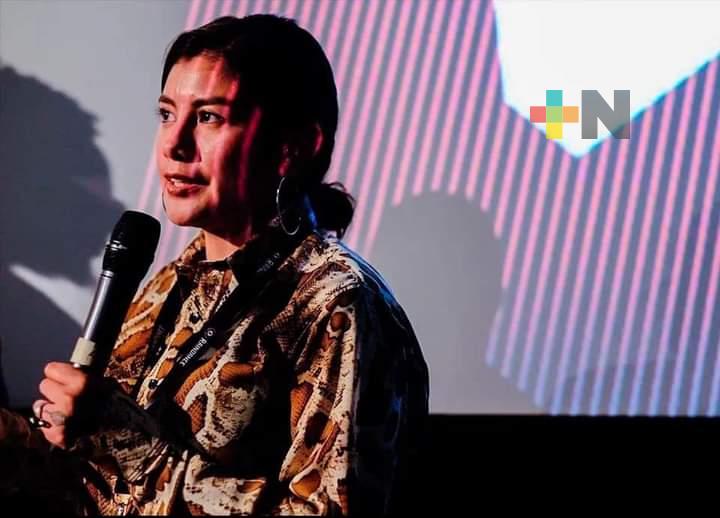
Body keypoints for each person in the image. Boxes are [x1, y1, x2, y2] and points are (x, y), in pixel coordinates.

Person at [25, 14, 429, 515]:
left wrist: (133, 449)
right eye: (167, 114)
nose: (174, 145)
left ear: (294, 147)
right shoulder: (169, 284)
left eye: (209, 117)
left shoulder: (336, 302)